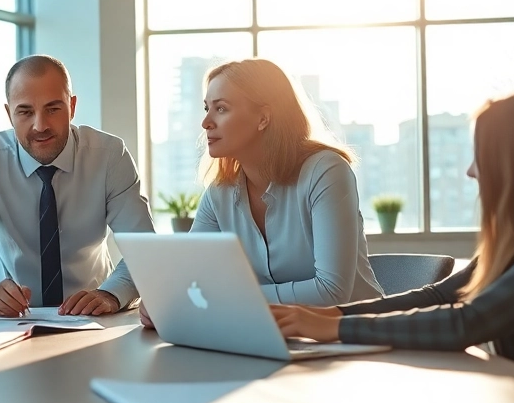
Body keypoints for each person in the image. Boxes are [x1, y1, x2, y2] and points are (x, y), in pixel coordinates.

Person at [271, 92, 514, 396]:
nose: (471, 171)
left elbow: (468, 321)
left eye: (482, 156)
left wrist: (337, 328)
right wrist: (330, 315)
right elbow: (439, 295)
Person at [142, 59, 380, 329]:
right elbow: (193, 278)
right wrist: (163, 297)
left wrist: (224, 298)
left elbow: (331, 292)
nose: (206, 122)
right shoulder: (219, 193)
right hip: (275, 338)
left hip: (355, 337)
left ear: (263, 118)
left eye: (221, 108)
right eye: (207, 108)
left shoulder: (326, 171)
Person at [0, 55, 155, 317]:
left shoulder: (110, 156)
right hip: (7, 322)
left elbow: (145, 250)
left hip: (93, 318)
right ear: (9, 114)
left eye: (53, 109)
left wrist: (111, 294)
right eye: (25, 112)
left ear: (72, 106)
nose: (40, 125)